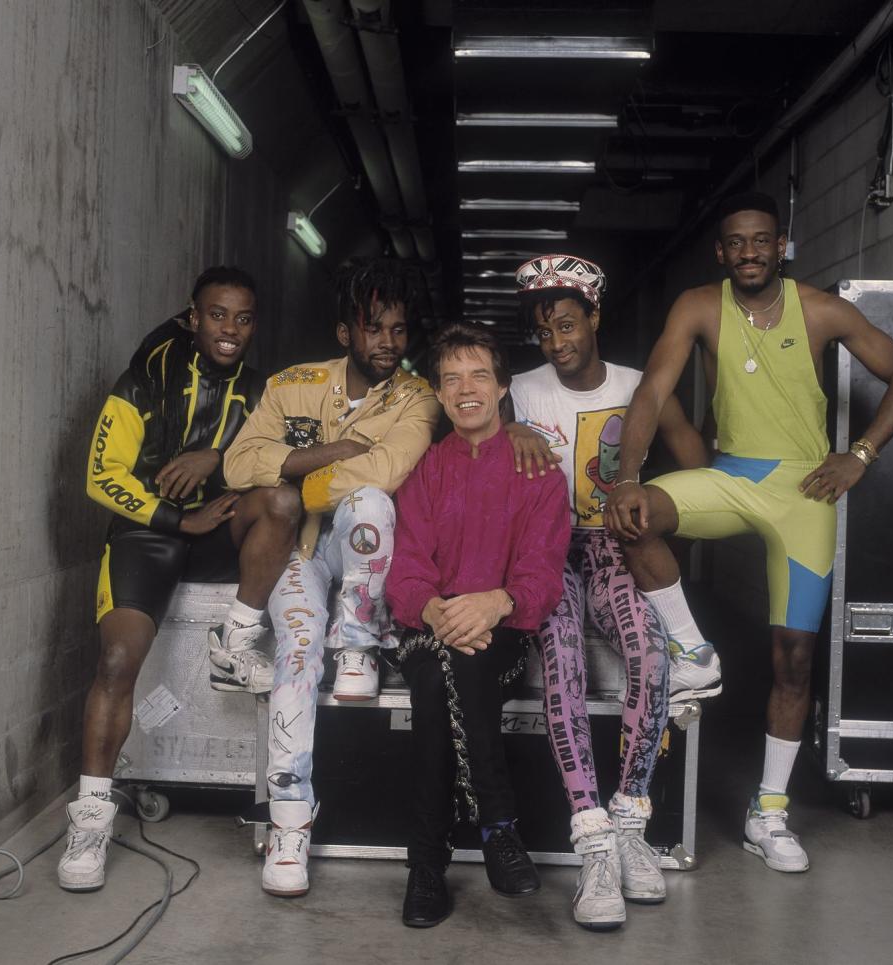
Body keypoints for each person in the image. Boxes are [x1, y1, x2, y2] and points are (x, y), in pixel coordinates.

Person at [606, 191, 893, 873]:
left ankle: (767, 810)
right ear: (721, 252)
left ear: (781, 245)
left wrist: (858, 455)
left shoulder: (823, 309)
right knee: (633, 515)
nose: (749, 252)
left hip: (806, 491)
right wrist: (628, 475)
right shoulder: (697, 305)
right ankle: (696, 649)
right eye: (736, 242)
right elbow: (653, 391)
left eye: (761, 240)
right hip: (734, 479)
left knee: (794, 658)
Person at [59, 266, 299, 892]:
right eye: (218, 315)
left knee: (279, 503)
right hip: (148, 533)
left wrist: (217, 457)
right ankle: (90, 819)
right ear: (193, 318)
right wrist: (175, 518)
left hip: (219, 526)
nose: (230, 330)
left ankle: (233, 642)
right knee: (116, 661)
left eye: (243, 319)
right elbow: (99, 474)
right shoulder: (146, 378)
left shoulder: (264, 391)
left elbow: (285, 458)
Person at [223, 258, 440, 897]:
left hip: (357, 556)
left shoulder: (418, 397)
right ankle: (290, 824)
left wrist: (289, 478)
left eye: (399, 331)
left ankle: (359, 643)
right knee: (295, 648)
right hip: (295, 551)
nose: (388, 344)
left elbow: (388, 471)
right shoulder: (293, 384)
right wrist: (321, 455)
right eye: (375, 328)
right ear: (346, 331)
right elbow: (237, 465)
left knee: (371, 503)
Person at [509, 254, 708, 929]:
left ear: (595, 316)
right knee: (560, 658)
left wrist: (664, 528)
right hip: (548, 550)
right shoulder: (520, 389)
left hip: (615, 545)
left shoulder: (637, 384)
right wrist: (506, 428)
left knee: (652, 652)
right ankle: (592, 841)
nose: (557, 343)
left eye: (567, 325)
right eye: (544, 333)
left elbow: (697, 466)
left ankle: (630, 821)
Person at [386, 323, 570, 928]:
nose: (466, 389)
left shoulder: (540, 474)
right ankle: (497, 826)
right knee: (448, 661)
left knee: (449, 675)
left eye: (479, 376)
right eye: (451, 379)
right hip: (427, 627)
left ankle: (425, 864)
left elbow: (543, 577)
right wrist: (437, 610)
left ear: (502, 387)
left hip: (504, 634)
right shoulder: (424, 472)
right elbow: (406, 571)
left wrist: (496, 602)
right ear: (439, 395)